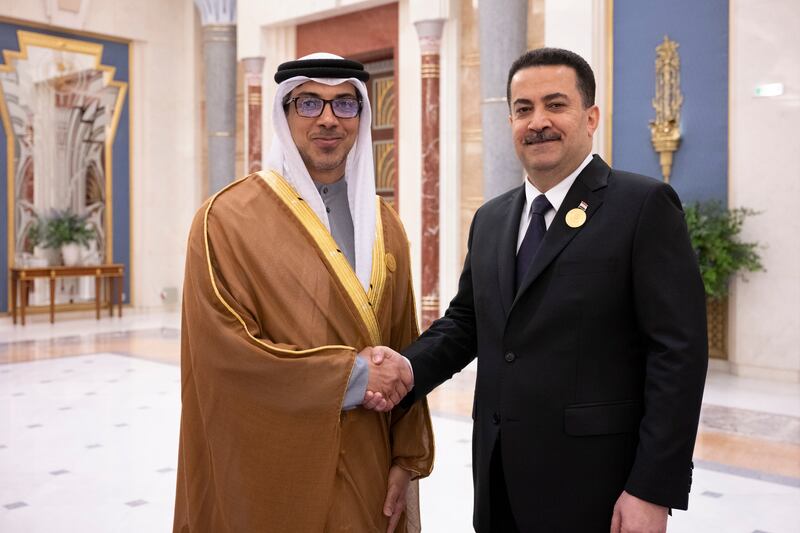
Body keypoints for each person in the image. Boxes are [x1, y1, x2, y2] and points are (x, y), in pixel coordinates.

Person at [365, 47, 708, 533]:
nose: (538, 121)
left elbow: (678, 354)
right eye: (523, 109)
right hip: (499, 478)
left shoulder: (642, 207)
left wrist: (652, 488)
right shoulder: (492, 219)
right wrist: (406, 368)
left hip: (599, 488)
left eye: (555, 104)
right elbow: (467, 323)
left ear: (590, 118)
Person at [173, 52, 434, 533]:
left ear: (362, 117)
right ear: (284, 113)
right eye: (310, 103)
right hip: (272, 469)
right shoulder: (226, 220)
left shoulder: (386, 226)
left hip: (370, 462)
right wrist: (354, 377)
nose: (329, 119)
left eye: (345, 105)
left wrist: (407, 457)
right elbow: (224, 357)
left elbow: (403, 343)